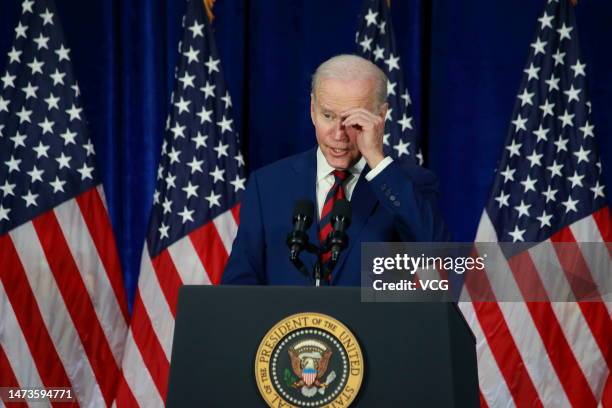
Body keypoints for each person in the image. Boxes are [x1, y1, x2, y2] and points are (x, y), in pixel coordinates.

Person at [222, 54, 449, 285]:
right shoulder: (268, 185)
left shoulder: (408, 184)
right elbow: (239, 284)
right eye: (328, 116)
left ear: (380, 117)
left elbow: (440, 264)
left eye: (353, 121)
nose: (338, 134)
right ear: (312, 109)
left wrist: (376, 161)